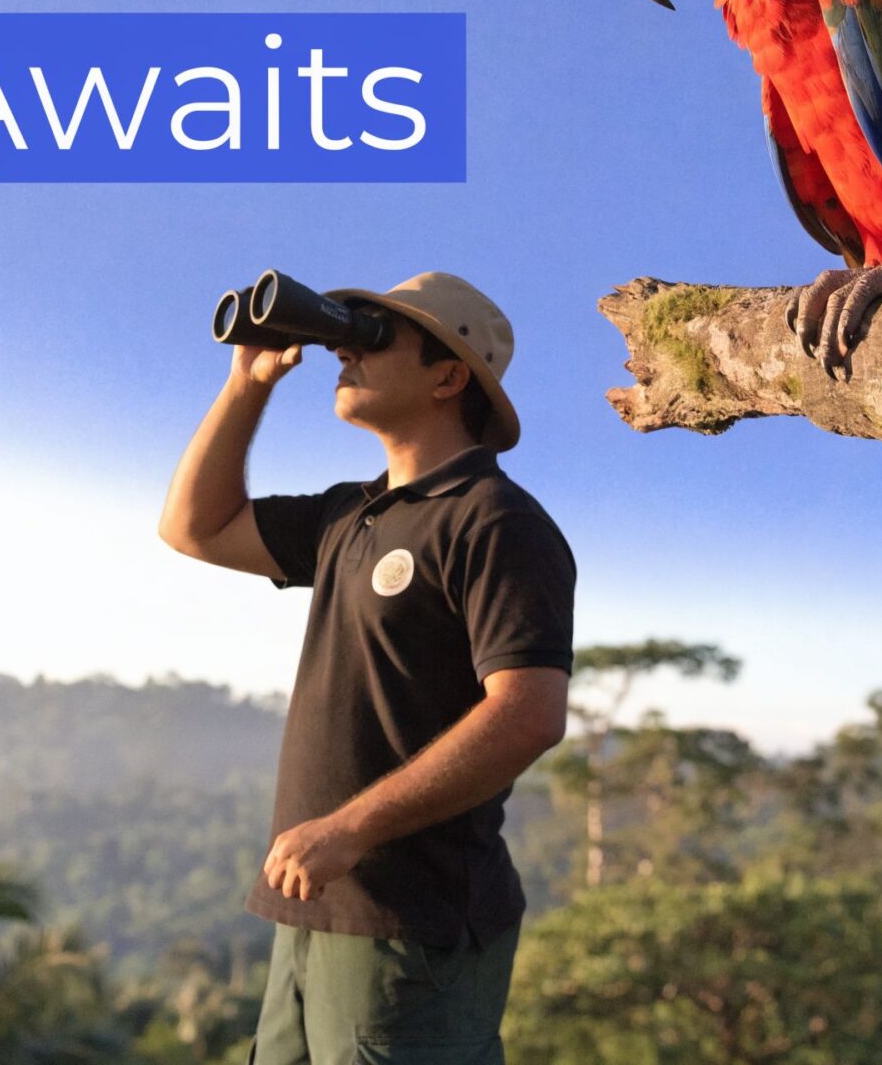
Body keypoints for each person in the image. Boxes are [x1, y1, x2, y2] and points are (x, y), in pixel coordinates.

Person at [158, 271, 574, 1064]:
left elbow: (528, 712)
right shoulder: (351, 513)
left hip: (413, 925)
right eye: (351, 329)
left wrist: (350, 827)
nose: (346, 347)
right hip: (316, 905)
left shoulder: (497, 521)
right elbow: (193, 527)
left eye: (380, 337)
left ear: (451, 376)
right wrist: (246, 383)